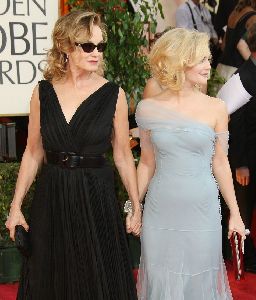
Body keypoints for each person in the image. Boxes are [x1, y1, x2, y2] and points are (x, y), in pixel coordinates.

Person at [5, 10, 141, 300]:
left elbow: (122, 155)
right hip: (52, 195)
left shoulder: (114, 95)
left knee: (97, 276)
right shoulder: (43, 93)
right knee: (49, 276)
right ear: (66, 47)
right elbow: (32, 152)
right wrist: (16, 206)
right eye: (87, 46)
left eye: (100, 46)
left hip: (96, 196)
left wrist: (135, 203)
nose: (96, 53)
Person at [135, 28, 245, 299]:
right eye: (203, 60)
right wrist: (133, 206)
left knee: (199, 280)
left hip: (202, 210)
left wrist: (235, 213)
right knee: (161, 279)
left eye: (209, 59)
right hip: (160, 210)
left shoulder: (215, 108)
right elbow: (146, 163)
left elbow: (220, 162)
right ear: (181, 61)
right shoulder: (147, 109)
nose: (210, 65)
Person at [217, 23, 256, 273]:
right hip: (244, 158)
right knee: (241, 208)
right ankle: (242, 256)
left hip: (252, 154)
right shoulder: (243, 77)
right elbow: (236, 123)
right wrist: (240, 163)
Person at [217, 0, 256, 80]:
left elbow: (223, 46)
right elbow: (241, 46)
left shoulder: (233, 13)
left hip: (221, 68)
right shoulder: (254, 17)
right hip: (237, 73)